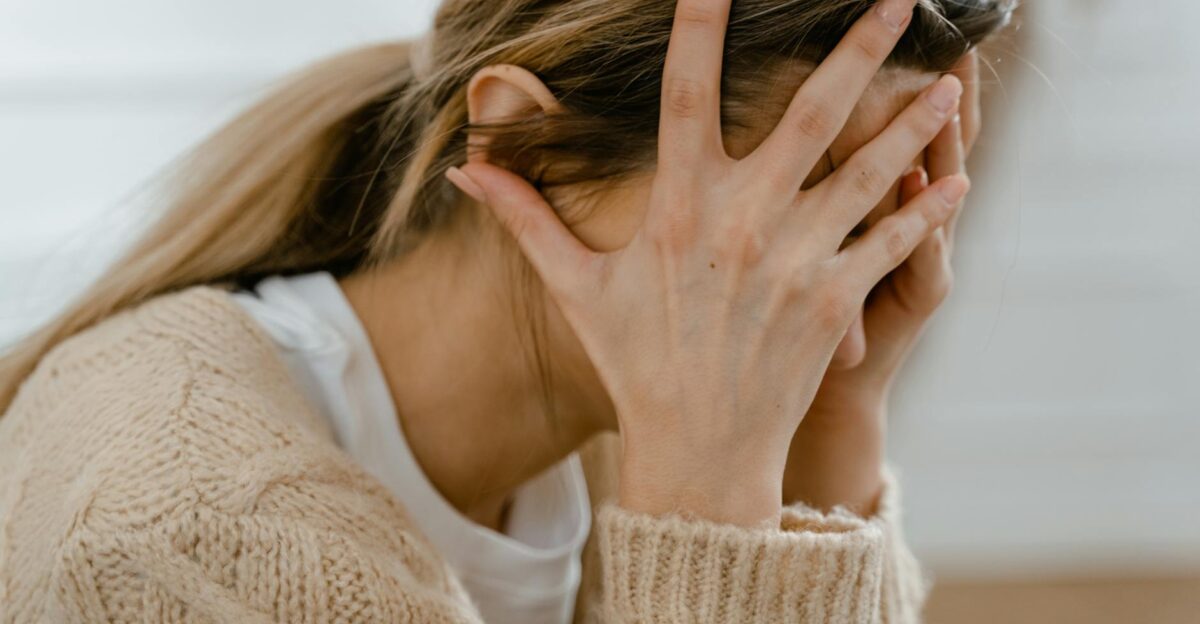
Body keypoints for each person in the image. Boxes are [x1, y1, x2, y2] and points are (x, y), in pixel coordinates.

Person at [0, 0, 1013, 621]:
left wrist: (835, 424)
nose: (828, 301)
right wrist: (709, 521)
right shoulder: (194, 536)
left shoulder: (610, 448)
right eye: (793, 210)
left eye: (881, 216)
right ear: (529, 147)